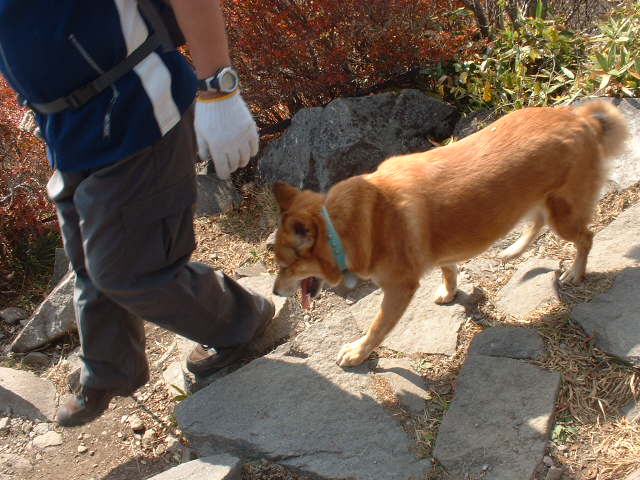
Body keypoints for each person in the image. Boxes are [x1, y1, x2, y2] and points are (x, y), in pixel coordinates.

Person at [0, 0, 275, 427]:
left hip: (139, 107)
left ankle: (241, 318)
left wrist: (220, 88)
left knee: (128, 271)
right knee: (87, 259)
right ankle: (110, 369)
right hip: (67, 130)